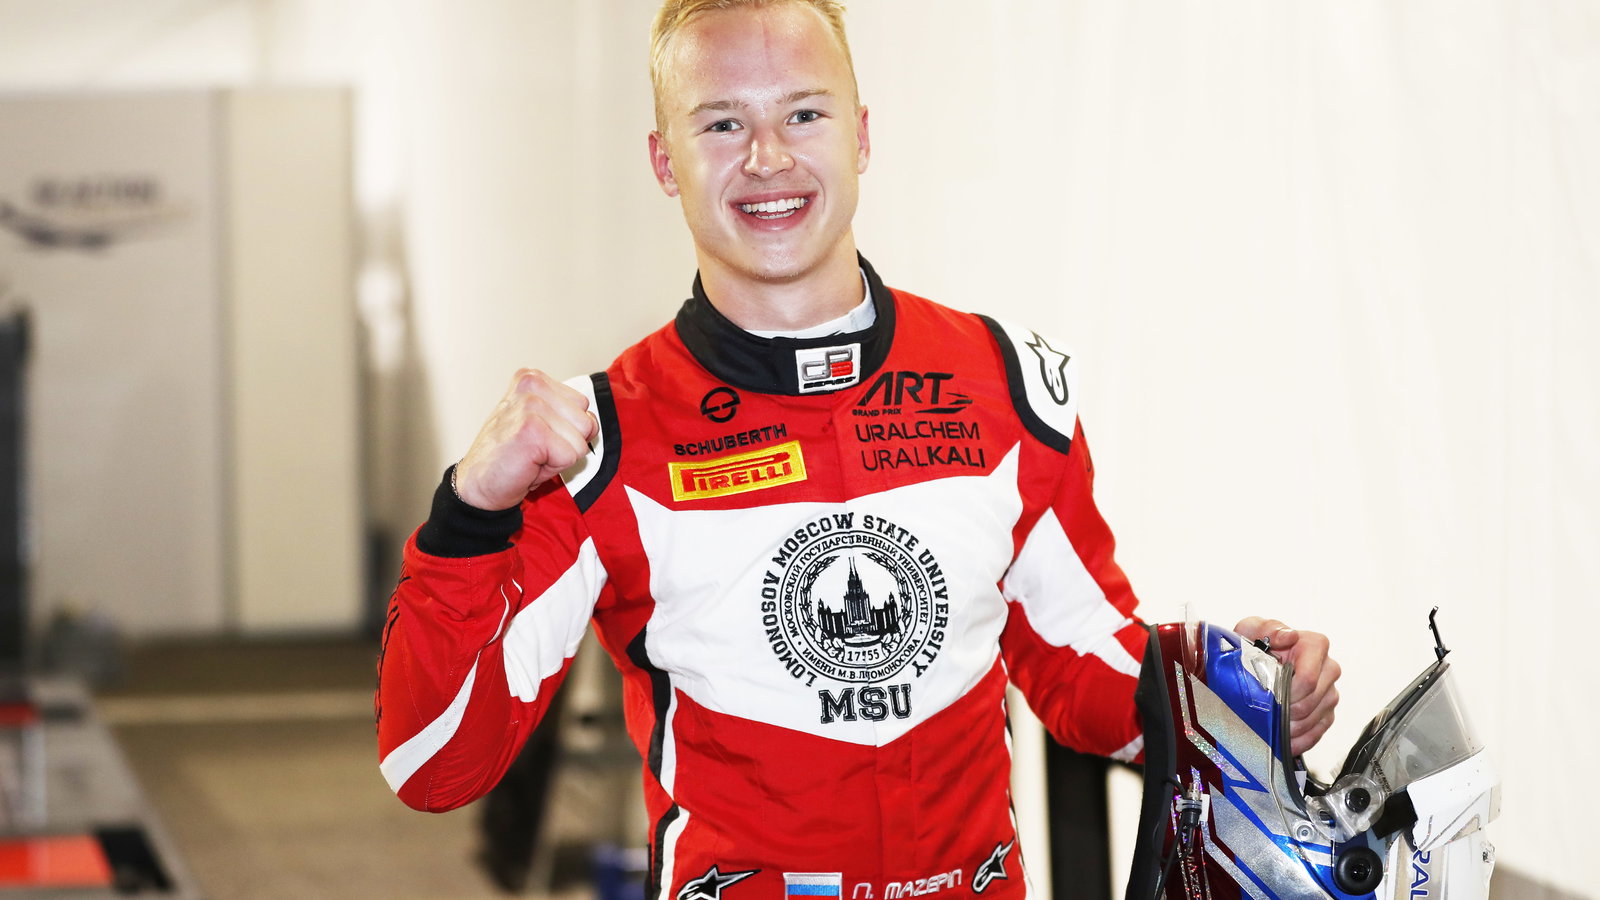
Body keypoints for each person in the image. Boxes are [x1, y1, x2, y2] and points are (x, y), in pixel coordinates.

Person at [376, 2, 1342, 898]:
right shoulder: (602, 442)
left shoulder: (1002, 384)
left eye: (803, 114)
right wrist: (470, 514)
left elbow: (1085, 666)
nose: (767, 158)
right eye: (722, 124)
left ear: (862, 134)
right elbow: (432, 763)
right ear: (665, 161)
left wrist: (1233, 695)